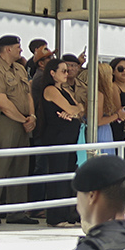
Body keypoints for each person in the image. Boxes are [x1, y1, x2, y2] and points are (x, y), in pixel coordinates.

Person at [0, 36, 36, 220]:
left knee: (20, 168)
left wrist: (32, 116)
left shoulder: (20, 69)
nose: (20, 50)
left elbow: (28, 95)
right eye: (17, 47)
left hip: (22, 122)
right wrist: (23, 119)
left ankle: (17, 212)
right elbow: (2, 102)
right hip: (3, 122)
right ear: (7, 49)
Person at [39, 58, 86, 228]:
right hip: (57, 137)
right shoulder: (50, 90)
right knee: (58, 176)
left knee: (68, 176)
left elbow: (80, 107)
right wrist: (73, 111)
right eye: (63, 71)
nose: (67, 74)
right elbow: (73, 109)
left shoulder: (65, 90)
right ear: (53, 73)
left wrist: (73, 111)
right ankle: (56, 217)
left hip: (69, 137)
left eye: (68, 71)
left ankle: (67, 214)